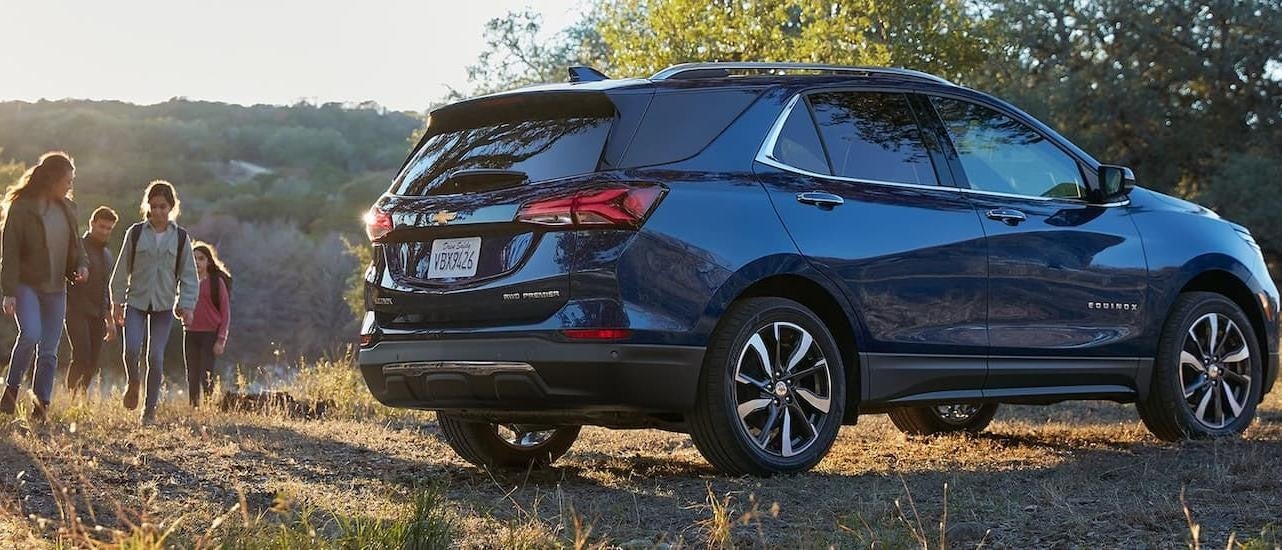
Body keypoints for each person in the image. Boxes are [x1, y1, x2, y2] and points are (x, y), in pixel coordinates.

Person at [0, 152, 89, 419]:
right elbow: (10, 251)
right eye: (67, 180)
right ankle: (11, 390)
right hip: (26, 285)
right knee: (30, 334)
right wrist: (9, 292)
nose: (70, 186)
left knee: (49, 350)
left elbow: (77, 246)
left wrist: (82, 265)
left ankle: (41, 406)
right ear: (52, 179)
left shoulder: (69, 208)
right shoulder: (22, 207)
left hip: (57, 288)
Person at [109, 180, 197, 425]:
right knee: (131, 350)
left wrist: (187, 305)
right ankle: (133, 382)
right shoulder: (136, 233)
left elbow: (189, 275)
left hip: (164, 306)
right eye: (154, 206)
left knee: (155, 357)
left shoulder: (180, 238)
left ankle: (149, 410)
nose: (158, 211)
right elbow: (121, 270)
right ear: (147, 206)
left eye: (162, 207)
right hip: (136, 302)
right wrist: (117, 302)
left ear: (171, 207)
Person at [65, 206, 119, 398]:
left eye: (109, 228)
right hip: (76, 310)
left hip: (98, 314)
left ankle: (80, 397)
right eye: (101, 226)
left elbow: (106, 290)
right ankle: (72, 398)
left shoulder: (107, 255)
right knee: (81, 355)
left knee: (93, 362)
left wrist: (110, 321)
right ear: (92, 223)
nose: (104, 231)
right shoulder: (78, 247)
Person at [184, 241, 230, 407]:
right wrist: (179, 310)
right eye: (194, 258)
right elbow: (179, 308)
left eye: (201, 258)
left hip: (210, 334)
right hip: (190, 333)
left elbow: (226, 313)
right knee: (192, 374)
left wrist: (221, 340)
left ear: (208, 262)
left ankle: (210, 407)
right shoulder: (186, 282)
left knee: (207, 373)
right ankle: (194, 407)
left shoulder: (216, 283)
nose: (197, 262)